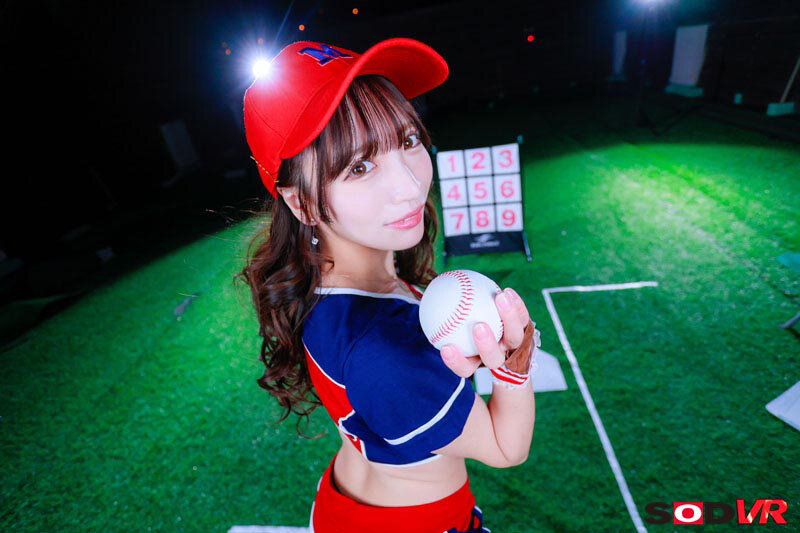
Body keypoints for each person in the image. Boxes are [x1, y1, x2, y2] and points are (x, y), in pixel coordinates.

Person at [238, 37, 541, 533]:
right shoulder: (383, 349)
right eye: (359, 167)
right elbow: (508, 448)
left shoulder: (324, 277)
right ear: (302, 204)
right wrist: (515, 363)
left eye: (407, 140)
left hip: (348, 500)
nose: (409, 185)